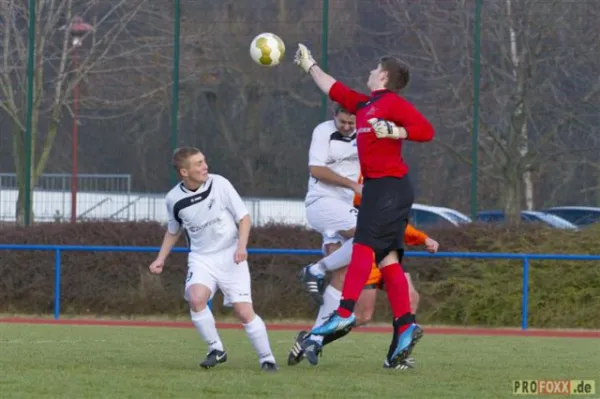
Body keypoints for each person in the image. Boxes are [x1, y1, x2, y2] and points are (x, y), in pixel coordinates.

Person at [294, 43, 435, 369]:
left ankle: (343, 313)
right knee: (386, 258)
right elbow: (334, 88)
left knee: (364, 247)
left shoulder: (392, 103)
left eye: (375, 68)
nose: (370, 72)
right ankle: (405, 326)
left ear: (383, 75)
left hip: (387, 188)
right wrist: (310, 65)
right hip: (383, 189)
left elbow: (426, 131)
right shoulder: (366, 104)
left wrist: (396, 130)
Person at [148, 147, 278, 372]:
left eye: (204, 161)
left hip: (231, 256)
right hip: (201, 258)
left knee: (243, 312)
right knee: (196, 298)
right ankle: (216, 349)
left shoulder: (220, 184)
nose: (205, 166)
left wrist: (241, 247)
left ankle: (267, 359)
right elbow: (173, 230)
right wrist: (161, 259)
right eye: (198, 163)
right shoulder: (173, 199)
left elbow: (244, 218)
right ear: (184, 172)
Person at [289, 218, 439, 369]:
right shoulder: (362, 198)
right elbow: (369, 217)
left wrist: (423, 238)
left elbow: (395, 218)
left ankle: (395, 358)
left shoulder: (392, 199)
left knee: (411, 297)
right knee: (362, 316)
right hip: (367, 256)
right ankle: (312, 340)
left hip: (387, 252)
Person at [299, 103, 360, 307]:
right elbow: (316, 169)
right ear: (334, 116)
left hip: (344, 206)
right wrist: (353, 185)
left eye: (351, 122)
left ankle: (318, 334)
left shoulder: (366, 133)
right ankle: (315, 270)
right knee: (369, 234)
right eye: (342, 121)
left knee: (341, 274)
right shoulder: (323, 131)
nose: (346, 126)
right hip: (322, 202)